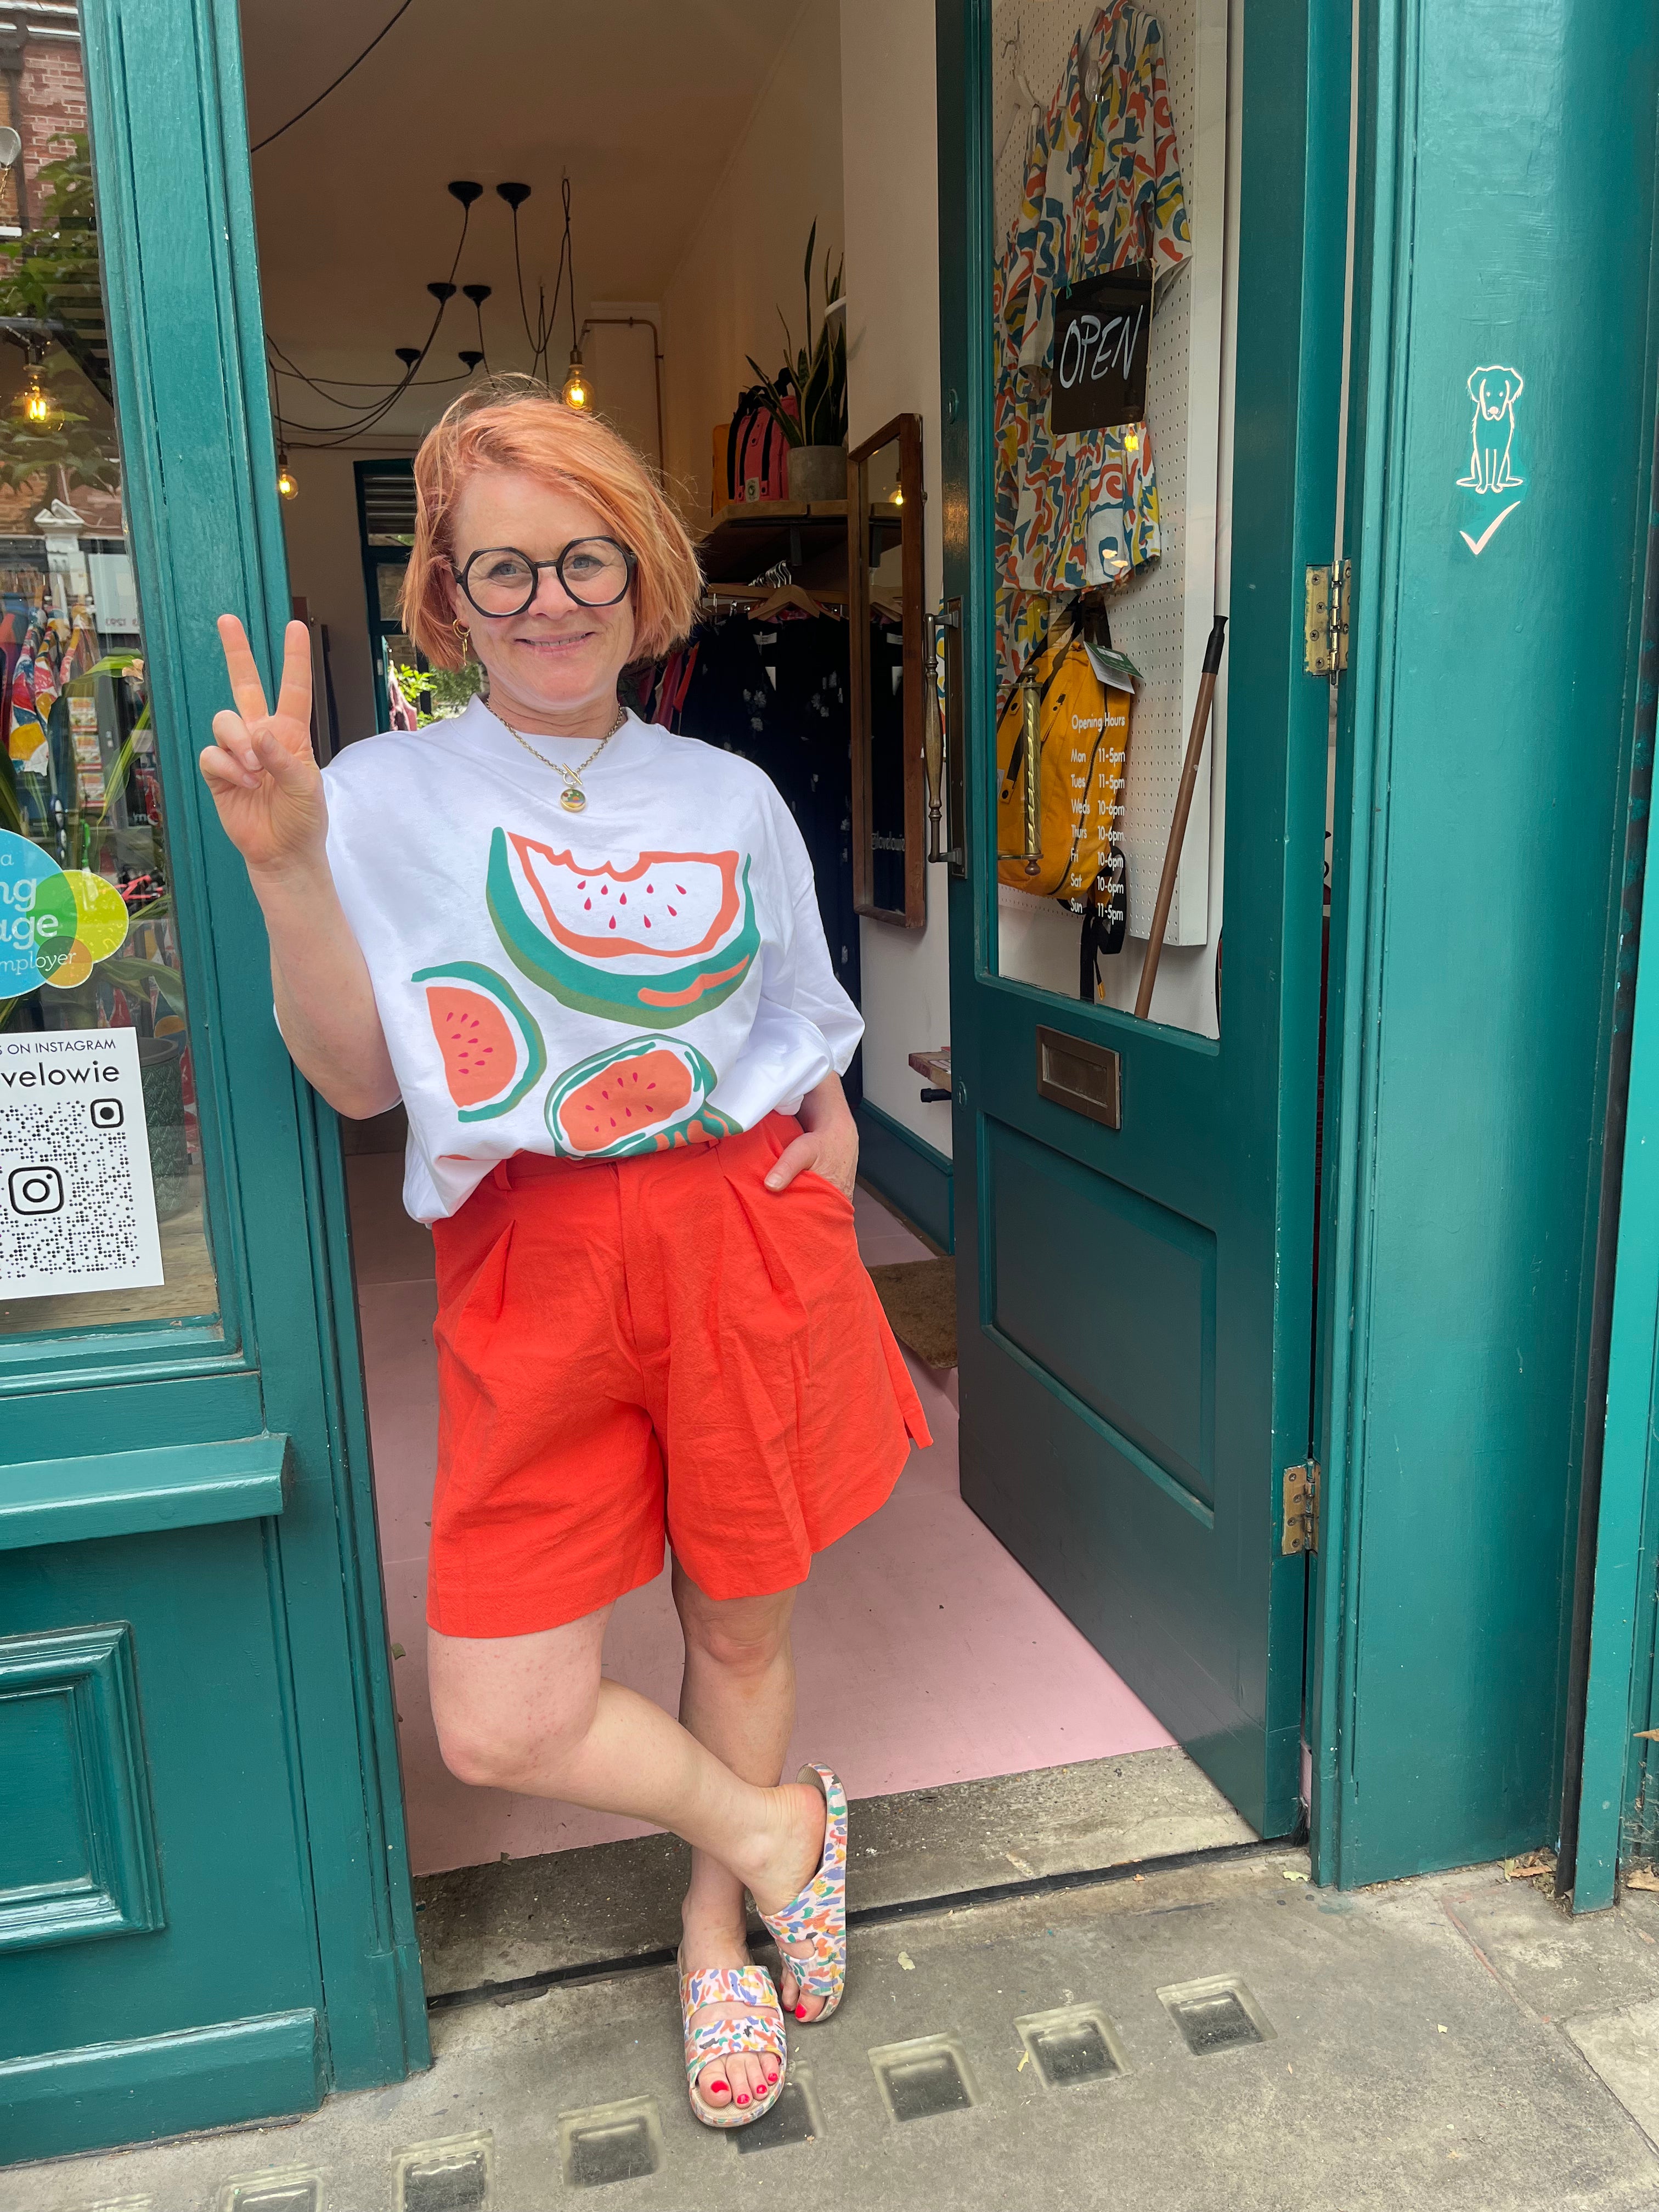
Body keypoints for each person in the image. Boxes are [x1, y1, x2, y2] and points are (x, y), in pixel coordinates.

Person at [199, 378, 928, 2130]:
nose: (550, 602)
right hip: (528, 1255)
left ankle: (711, 1941)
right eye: (502, 568)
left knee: (738, 1625)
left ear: (643, 573)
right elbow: (365, 1075)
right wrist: (294, 867)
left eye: (585, 558)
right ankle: (776, 1833)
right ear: (443, 592)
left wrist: (829, 1135)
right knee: (504, 1714)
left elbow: (798, 1023)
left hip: (734, 1233)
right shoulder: (374, 792)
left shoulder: (732, 794)